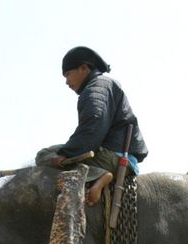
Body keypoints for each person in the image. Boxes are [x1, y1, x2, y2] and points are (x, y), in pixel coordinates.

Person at [39, 46, 148, 206]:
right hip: (116, 154)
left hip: (115, 157)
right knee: (49, 155)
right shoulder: (101, 86)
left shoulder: (97, 87)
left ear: (83, 68)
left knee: (44, 157)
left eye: (68, 74)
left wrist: (66, 154)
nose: (66, 81)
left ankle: (101, 174)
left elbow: (93, 125)